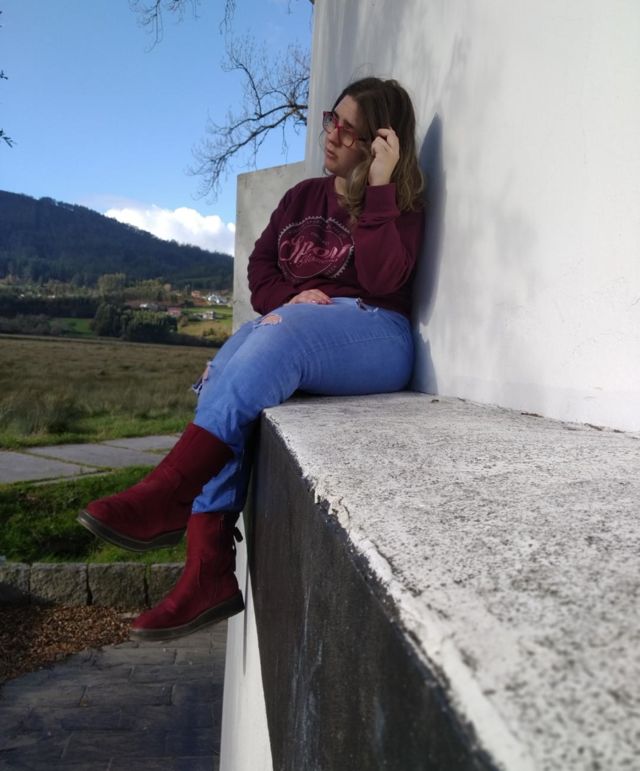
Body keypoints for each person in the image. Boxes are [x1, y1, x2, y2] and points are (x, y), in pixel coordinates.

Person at [78, 77, 425, 641]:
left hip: (376, 334)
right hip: (293, 324)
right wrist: (291, 298)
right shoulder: (301, 197)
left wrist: (381, 188)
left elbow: (385, 278)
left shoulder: (397, 201)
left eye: (348, 129)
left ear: (378, 144)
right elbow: (261, 270)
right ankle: (207, 566)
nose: (331, 134)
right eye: (331, 120)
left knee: (278, 336)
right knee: (226, 367)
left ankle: (171, 493)